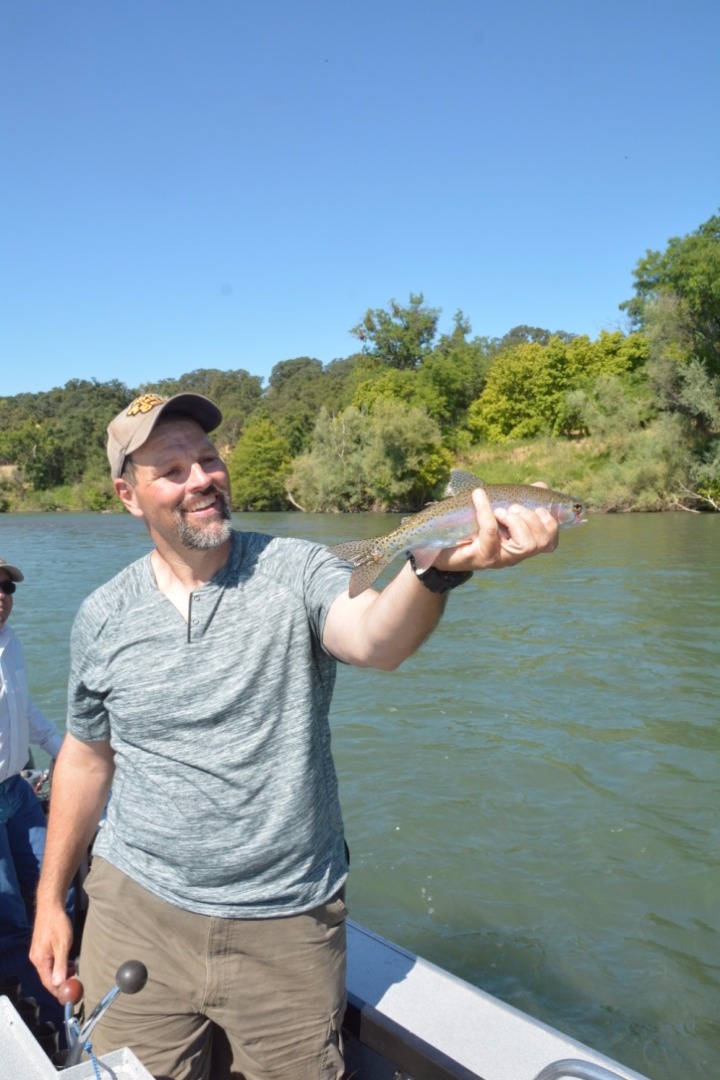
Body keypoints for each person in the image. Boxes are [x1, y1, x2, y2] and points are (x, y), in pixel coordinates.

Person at [30, 392, 560, 1080]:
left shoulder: (295, 568)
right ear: (128, 496)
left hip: (284, 925)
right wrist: (49, 899)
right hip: (136, 913)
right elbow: (87, 757)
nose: (201, 479)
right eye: (172, 470)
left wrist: (437, 569)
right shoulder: (103, 615)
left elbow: (374, 638)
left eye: (209, 459)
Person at [0, 556, 65, 1026]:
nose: (3, 595)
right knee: (11, 917)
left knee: (54, 883)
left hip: (16, 790)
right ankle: (36, 1013)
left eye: (8, 588)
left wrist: (69, 752)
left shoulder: (11, 644)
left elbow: (25, 711)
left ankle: (59, 975)